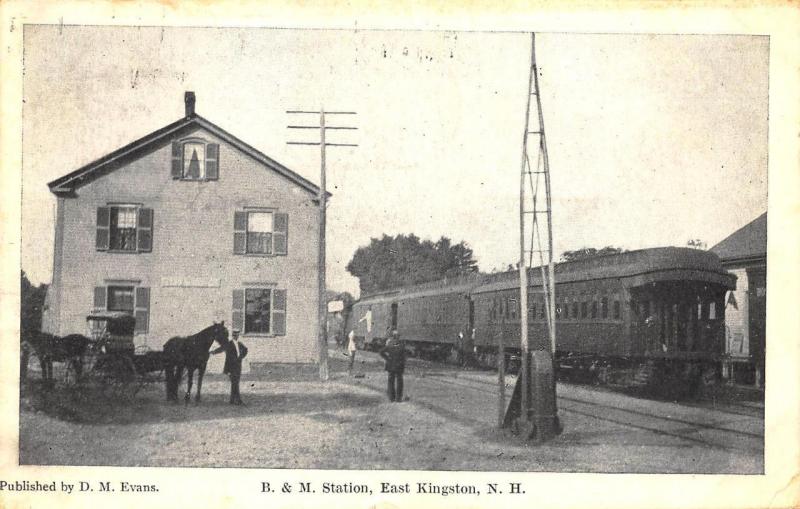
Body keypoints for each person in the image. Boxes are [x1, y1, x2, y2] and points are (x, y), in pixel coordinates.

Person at [212, 328, 248, 405]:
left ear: (238, 335)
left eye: (237, 334)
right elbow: (221, 349)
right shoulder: (229, 344)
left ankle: (232, 400)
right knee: (235, 383)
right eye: (235, 334)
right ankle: (238, 400)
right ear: (233, 335)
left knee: (235, 383)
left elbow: (245, 350)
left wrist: (241, 357)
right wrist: (212, 352)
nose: (236, 336)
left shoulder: (240, 344)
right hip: (231, 366)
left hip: (238, 366)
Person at [379, 330, 406, 402]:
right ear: (398, 337)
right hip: (399, 366)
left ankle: (391, 398)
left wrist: (387, 358)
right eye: (398, 336)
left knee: (391, 381)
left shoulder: (389, 344)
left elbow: (381, 352)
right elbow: (404, 357)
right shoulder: (402, 345)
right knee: (399, 382)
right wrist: (402, 363)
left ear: (393, 337)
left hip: (390, 365)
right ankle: (398, 398)